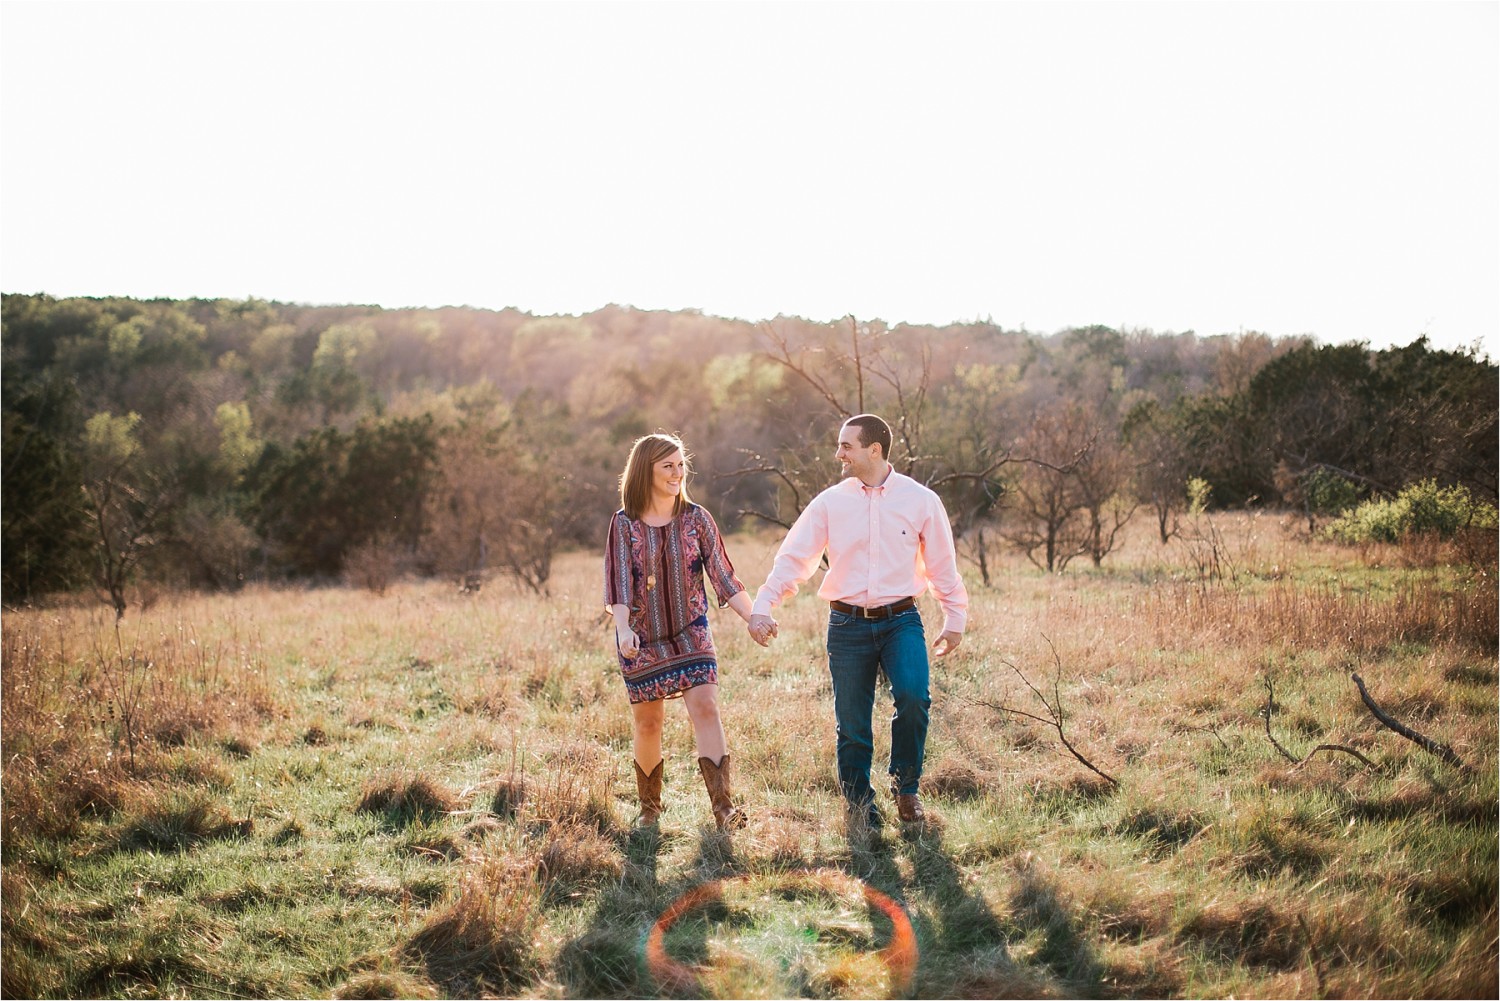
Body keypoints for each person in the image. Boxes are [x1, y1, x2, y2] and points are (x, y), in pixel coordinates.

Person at [749, 413, 968, 828]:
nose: (838, 454)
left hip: (901, 619)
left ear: (874, 449)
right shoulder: (831, 502)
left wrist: (954, 617)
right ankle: (859, 803)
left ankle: (906, 788)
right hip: (847, 626)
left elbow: (943, 566)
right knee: (851, 721)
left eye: (846, 446)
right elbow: (794, 559)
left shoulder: (921, 500)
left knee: (914, 697)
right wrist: (764, 605)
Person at [604, 432, 756, 831]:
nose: (677, 473)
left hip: (692, 631)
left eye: (680, 465)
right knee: (648, 723)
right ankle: (650, 810)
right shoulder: (624, 524)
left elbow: (723, 576)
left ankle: (723, 808)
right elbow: (618, 582)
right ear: (646, 471)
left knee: (706, 707)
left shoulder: (696, 518)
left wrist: (753, 617)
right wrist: (622, 630)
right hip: (640, 637)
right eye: (666, 466)